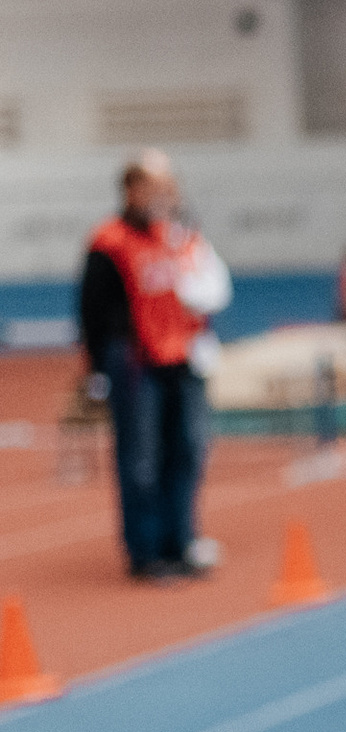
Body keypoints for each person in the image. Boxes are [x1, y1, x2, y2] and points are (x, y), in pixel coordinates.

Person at [79, 151, 231, 581]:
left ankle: (180, 541)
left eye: (166, 186)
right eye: (152, 186)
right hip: (134, 361)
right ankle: (146, 553)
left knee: (185, 450)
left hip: (182, 359)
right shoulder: (108, 242)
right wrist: (96, 367)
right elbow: (91, 308)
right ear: (131, 190)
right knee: (141, 459)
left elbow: (203, 291)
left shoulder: (176, 237)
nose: (162, 194)